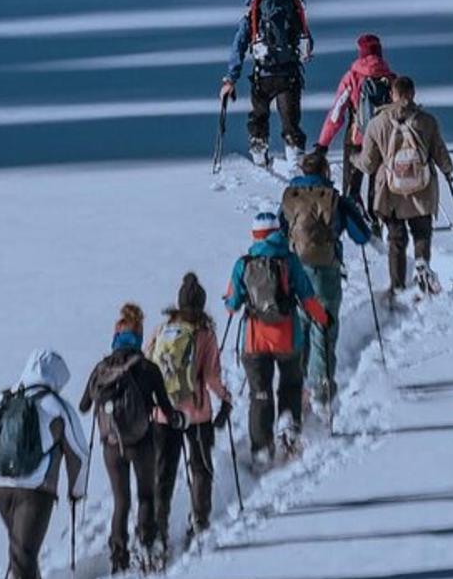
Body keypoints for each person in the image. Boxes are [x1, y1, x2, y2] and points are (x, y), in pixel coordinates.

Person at [0, 349, 89, 579]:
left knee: (21, 548)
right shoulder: (56, 405)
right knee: (25, 552)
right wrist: (77, 491)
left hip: (0, 486)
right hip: (36, 488)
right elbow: (78, 452)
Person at [79, 304, 186, 572]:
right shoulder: (148, 368)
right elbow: (166, 408)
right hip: (142, 441)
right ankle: (147, 547)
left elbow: (83, 406)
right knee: (146, 495)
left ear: (115, 338)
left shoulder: (102, 368)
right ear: (139, 338)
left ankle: (118, 556)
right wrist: (176, 420)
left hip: (111, 446)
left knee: (121, 501)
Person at [224, 212, 330, 465]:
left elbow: (232, 305)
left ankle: (261, 449)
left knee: (259, 393)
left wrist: (232, 299)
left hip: (254, 340)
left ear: (255, 235)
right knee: (291, 384)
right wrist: (323, 319)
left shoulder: (243, 263)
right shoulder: (290, 260)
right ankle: (287, 427)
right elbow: (307, 297)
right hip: (287, 337)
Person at [145, 273, 233, 549]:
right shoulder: (204, 333)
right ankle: (199, 521)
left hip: (163, 413)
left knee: (164, 473)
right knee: (200, 468)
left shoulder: (162, 331)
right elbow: (211, 376)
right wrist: (225, 399)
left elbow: (148, 365)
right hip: (196, 413)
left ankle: (159, 531)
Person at [280, 151, 371, 413]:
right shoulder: (334, 200)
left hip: (295, 273)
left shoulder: (290, 199)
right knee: (323, 330)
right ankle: (321, 390)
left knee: (300, 329)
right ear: (326, 171)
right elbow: (361, 234)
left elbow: (280, 228)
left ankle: (298, 388)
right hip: (325, 275)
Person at [354, 76, 453, 298]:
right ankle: (421, 262)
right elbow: (439, 150)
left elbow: (369, 164)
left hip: (390, 190)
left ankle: (397, 285)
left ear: (392, 94)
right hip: (422, 187)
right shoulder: (427, 121)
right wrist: (447, 170)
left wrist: (354, 160)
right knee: (422, 231)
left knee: (396, 238)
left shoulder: (376, 123)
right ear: (413, 94)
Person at [220, 0, 314, 169]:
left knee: (259, 116)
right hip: (289, 75)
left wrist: (231, 79)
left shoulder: (253, 15)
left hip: (262, 76)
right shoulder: (289, 8)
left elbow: (238, 48)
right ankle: (295, 159)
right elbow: (307, 42)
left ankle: (259, 153)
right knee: (290, 121)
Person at [309, 33, 396, 230]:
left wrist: (323, 144)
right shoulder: (390, 78)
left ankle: (353, 208)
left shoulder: (352, 77)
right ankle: (376, 216)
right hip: (384, 139)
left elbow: (337, 112)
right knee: (378, 180)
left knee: (352, 181)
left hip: (357, 137)